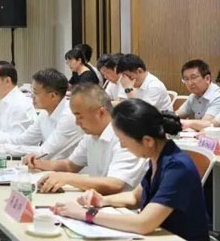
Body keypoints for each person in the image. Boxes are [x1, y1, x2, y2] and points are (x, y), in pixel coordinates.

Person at [54, 99, 209, 241]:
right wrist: (103, 200)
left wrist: (86, 214)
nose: (122, 145)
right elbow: (135, 197)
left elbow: (143, 224)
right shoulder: (158, 157)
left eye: (123, 140)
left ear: (147, 141)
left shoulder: (177, 167)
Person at [30, 83, 146, 195]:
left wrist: (68, 178)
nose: (77, 122)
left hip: (121, 205)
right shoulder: (91, 135)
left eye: (80, 116)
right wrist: (40, 164)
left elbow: (116, 184)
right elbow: (70, 165)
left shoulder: (125, 137)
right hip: (99, 200)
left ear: (101, 113)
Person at [0, 68, 83, 160]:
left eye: (35, 92)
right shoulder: (45, 113)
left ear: (53, 96)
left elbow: (45, 152)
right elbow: (24, 139)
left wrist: (1, 147)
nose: (31, 96)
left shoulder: (68, 117)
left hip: (72, 175)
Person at [175, 60, 220, 131]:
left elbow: (207, 125)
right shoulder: (193, 96)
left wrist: (185, 122)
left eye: (193, 77)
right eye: (186, 79)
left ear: (207, 78)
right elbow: (177, 114)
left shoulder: (217, 96)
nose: (190, 83)